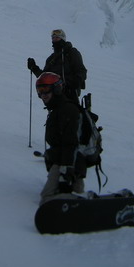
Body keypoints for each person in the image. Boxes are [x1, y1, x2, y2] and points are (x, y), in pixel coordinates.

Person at [35, 72, 87, 205]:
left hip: (67, 162)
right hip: (68, 160)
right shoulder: (58, 108)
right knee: (74, 192)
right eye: (40, 90)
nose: (43, 94)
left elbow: (71, 143)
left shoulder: (67, 109)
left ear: (56, 89)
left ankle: (83, 201)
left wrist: (66, 171)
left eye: (46, 89)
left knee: (46, 199)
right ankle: (82, 201)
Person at [27, 29, 87, 100]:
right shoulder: (51, 59)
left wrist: (74, 83)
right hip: (54, 96)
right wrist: (34, 68)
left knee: (70, 110)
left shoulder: (71, 53)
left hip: (70, 94)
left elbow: (81, 70)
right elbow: (45, 76)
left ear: (62, 39)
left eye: (57, 37)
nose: (55, 39)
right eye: (53, 38)